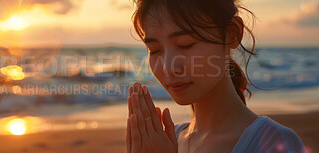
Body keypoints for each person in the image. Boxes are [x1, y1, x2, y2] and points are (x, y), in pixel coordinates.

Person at [125, 0, 308, 153]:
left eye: (185, 44)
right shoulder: (166, 140)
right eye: (154, 50)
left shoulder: (273, 142)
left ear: (231, 34)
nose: (168, 67)